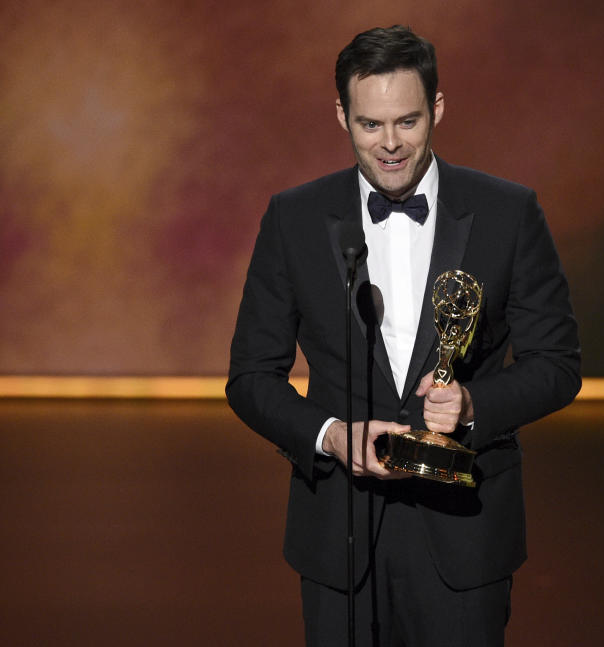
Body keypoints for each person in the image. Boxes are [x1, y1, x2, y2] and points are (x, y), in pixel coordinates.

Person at [227, 25, 581, 647]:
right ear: (341, 115)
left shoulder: (508, 212)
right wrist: (332, 436)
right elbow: (251, 376)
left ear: (437, 108)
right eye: (370, 125)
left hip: (465, 536)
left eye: (408, 121)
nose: (390, 144)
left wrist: (474, 406)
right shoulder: (295, 218)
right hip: (339, 535)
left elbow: (557, 364)